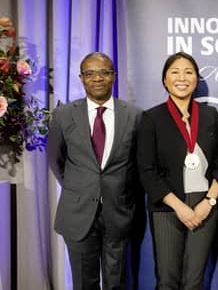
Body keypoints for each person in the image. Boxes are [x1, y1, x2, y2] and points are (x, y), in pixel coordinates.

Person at [137, 52, 218, 290]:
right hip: (167, 207)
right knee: (167, 280)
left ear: (196, 79)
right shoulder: (151, 118)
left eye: (189, 72)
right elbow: (147, 171)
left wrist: (208, 202)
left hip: (204, 205)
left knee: (194, 281)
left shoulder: (211, 116)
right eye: (175, 72)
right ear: (165, 80)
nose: (182, 77)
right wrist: (179, 207)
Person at [48, 52, 142, 289]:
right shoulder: (63, 115)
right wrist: (80, 188)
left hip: (118, 213)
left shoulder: (135, 115)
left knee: (117, 283)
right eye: (90, 73)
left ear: (114, 77)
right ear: (81, 78)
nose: (97, 78)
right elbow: (55, 160)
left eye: (104, 72)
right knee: (84, 283)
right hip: (78, 213)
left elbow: (139, 165)